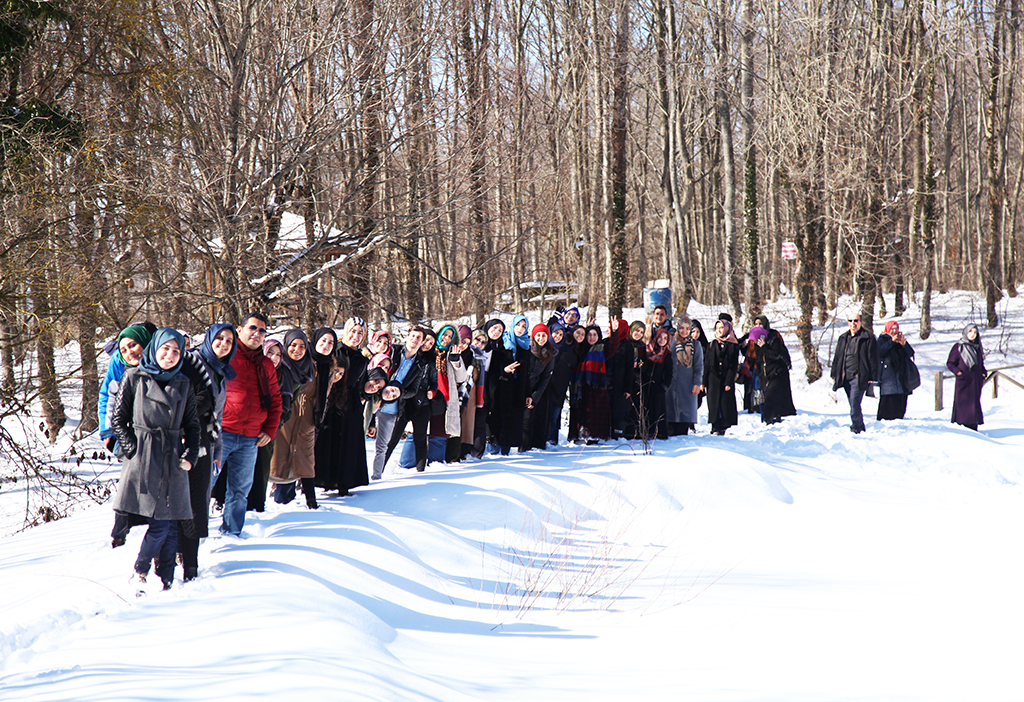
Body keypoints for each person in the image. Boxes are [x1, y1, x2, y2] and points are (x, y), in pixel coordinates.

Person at [110, 328, 200, 591]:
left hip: (173, 457)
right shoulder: (134, 377)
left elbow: (193, 425)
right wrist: (132, 449)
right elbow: (119, 419)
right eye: (165, 349)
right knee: (161, 525)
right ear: (155, 348)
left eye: (176, 351)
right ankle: (141, 569)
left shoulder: (183, 383)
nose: (170, 355)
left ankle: (166, 576)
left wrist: (190, 456)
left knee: (171, 525)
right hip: (143, 456)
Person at [177, 322, 236, 581]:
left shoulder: (222, 370)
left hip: (206, 443)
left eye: (229, 341)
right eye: (220, 338)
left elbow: (218, 415)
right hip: (183, 443)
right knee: (183, 503)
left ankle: (191, 560)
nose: (224, 344)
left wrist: (217, 449)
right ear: (209, 338)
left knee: (198, 504)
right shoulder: (193, 362)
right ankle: (177, 556)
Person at [219, 313, 282, 536]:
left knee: (239, 490)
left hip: (250, 438)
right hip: (222, 433)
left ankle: (232, 532)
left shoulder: (265, 365)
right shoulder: (226, 355)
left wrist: (269, 430)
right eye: (252, 328)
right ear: (240, 329)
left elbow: (276, 400)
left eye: (262, 331)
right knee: (203, 484)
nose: (257, 334)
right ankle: (191, 534)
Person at [272, 328, 341, 507]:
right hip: (288, 412)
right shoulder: (299, 360)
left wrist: (319, 415)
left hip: (309, 415)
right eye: (323, 341)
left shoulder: (329, 367)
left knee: (306, 457)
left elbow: (324, 395)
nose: (326, 346)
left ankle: (311, 501)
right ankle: (280, 498)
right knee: (281, 454)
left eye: (330, 343)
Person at [105, 324, 156, 548]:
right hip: (132, 438)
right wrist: (112, 435)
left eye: (133, 345)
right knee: (129, 486)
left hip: (161, 438)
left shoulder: (164, 366)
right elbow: (109, 401)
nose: (129, 353)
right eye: (124, 350)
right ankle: (119, 534)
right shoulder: (124, 372)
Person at [317, 317, 369, 495]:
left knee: (348, 444)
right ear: (346, 331)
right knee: (328, 442)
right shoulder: (335, 351)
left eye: (360, 333)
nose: (356, 335)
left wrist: (367, 393)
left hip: (351, 405)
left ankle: (345, 484)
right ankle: (324, 480)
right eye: (353, 331)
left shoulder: (362, 359)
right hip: (331, 402)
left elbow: (361, 384)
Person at [374, 327, 429, 478]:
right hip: (376, 395)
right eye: (412, 336)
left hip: (396, 404)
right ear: (407, 337)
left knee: (389, 442)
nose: (415, 340)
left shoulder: (420, 363)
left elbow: (414, 389)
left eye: (418, 338)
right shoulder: (393, 351)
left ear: (422, 341)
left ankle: (376, 475)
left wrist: (398, 394)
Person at [247, 337, 284, 511]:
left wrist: (271, 428)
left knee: (261, 468)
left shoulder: (283, 374)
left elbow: (283, 406)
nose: (274, 358)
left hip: (268, 430)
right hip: (246, 428)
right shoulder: (252, 369)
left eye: (278, 354)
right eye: (270, 352)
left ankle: (257, 506)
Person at [488, 315, 530, 454]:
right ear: (512, 325)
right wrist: (504, 370)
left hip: (518, 388)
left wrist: (528, 393)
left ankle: (505, 451)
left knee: (513, 421)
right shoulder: (503, 342)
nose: (520, 329)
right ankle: (494, 449)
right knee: (497, 418)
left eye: (523, 326)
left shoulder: (526, 345)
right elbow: (493, 366)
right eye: (518, 325)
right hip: (501, 386)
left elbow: (528, 372)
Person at [830, 313, 878, 434]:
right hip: (845, 376)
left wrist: (872, 377)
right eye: (850, 321)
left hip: (859, 376)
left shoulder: (868, 337)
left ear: (860, 322)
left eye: (855, 321)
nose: (853, 323)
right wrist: (834, 373)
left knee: (855, 402)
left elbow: (873, 359)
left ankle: (857, 427)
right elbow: (838, 357)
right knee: (852, 403)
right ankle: (859, 425)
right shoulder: (843, 338)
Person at [747, 325, 796, 424]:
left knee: (772, 397)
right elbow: (759, 361)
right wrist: (761, 377)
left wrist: (765, 347)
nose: (756, 342)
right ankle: (767, 418)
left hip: (777, 374)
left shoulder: (774, 341)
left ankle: (773, 418)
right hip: (765, 375)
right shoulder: (758, 346)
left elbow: (775, 355)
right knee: (764, 396)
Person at [666, 318, 703, 435]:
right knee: (670, 411)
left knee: (684, 415)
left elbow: (698, 366)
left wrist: (697, 383)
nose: (684, 331)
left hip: (687, 384)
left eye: (687, 329)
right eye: (681, 328)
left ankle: (683, 432)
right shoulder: (670, 341)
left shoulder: (695, 345)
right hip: (671, 383)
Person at [574, 325, 611, 442]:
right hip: (582, 384)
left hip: (597, 384)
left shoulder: (603, 348)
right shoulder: (581, 348)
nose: (592, 337)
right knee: (583, 410)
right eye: (589, 335)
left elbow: (614, 346)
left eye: (595, 335)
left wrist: (614, 332)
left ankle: (596, 435)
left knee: (596, 411)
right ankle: (583, 433)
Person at [522, 323, 555, 451]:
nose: (541, 338)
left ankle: (527, 447)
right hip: (521, 386)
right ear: (534, 336)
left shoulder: (550, 353)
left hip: (535, 389)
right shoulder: (526, 348)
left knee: (529, 418)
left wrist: (534, 397)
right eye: (539, 335)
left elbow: (546, 377)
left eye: (544, 335)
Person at [703, 319, 739, 436]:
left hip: (725, 379)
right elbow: (707, 364)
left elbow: (733, 366)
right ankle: (715, 426)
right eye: (717, 328)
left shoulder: (733, 345)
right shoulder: (711, 344)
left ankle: (724, 425)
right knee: (713, 404)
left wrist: (729, 381)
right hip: (712, 380)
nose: (719, 330)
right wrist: (703, 382)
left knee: (725, 403)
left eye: (721, 328)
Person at [946, 323, 985, 430]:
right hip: (964, 382)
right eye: (970, 332)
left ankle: (973, 427)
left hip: (975, 382)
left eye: (975, 332)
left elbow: (980, 364)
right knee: (963, 406)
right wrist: (958, 372)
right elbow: (950, 363)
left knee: (974, 405)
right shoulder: (958, 347)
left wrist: (983, 373)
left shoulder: (977, 348)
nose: (972, 335)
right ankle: (962, 428)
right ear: (965, 332)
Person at [877, 320, 916, 421]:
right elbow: (879, 352)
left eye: (896, 328)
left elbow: (911, 353)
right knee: (888, 398)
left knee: (901, 398)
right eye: (892, 328)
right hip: (888, 375)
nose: (894, 331)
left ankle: (899, 418)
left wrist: (904, 344)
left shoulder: (900, 340)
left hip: (901, 373)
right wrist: (892, 342)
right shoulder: (882, 339)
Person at [641, 327, 674, 440]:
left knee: (658, 411)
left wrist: (663, 387)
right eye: (660, 337)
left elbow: (669, 374)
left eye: (665, 338)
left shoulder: (667, 355)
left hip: (658, 388)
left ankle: (659, 434)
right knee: (645, 410)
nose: (662, 340)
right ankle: (645, 432)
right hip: (645, 387)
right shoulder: (647, 351)